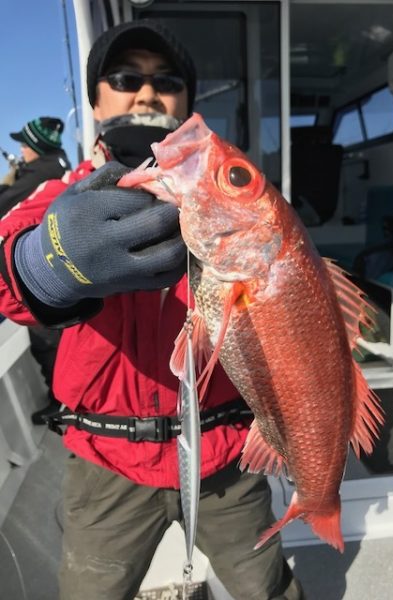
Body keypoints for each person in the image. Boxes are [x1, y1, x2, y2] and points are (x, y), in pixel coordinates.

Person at [0, 20, 304, 600]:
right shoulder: (62, 194)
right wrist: (44, 261)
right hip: (106, 465)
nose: (147, 92)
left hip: (229, 462)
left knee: (269, 589)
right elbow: (6, 261)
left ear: (187, 99)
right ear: (95, 99)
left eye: (167, 81)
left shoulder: (238, 198)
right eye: (124, 77)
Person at [0, 117, 71, 424]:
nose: (20, 149)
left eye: (24, 144)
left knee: (47, 343)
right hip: (54, 269)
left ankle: (65, 406)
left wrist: (8, 182)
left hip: (39, 275)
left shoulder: (40, 173)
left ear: (35, 147)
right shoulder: (56, 166)